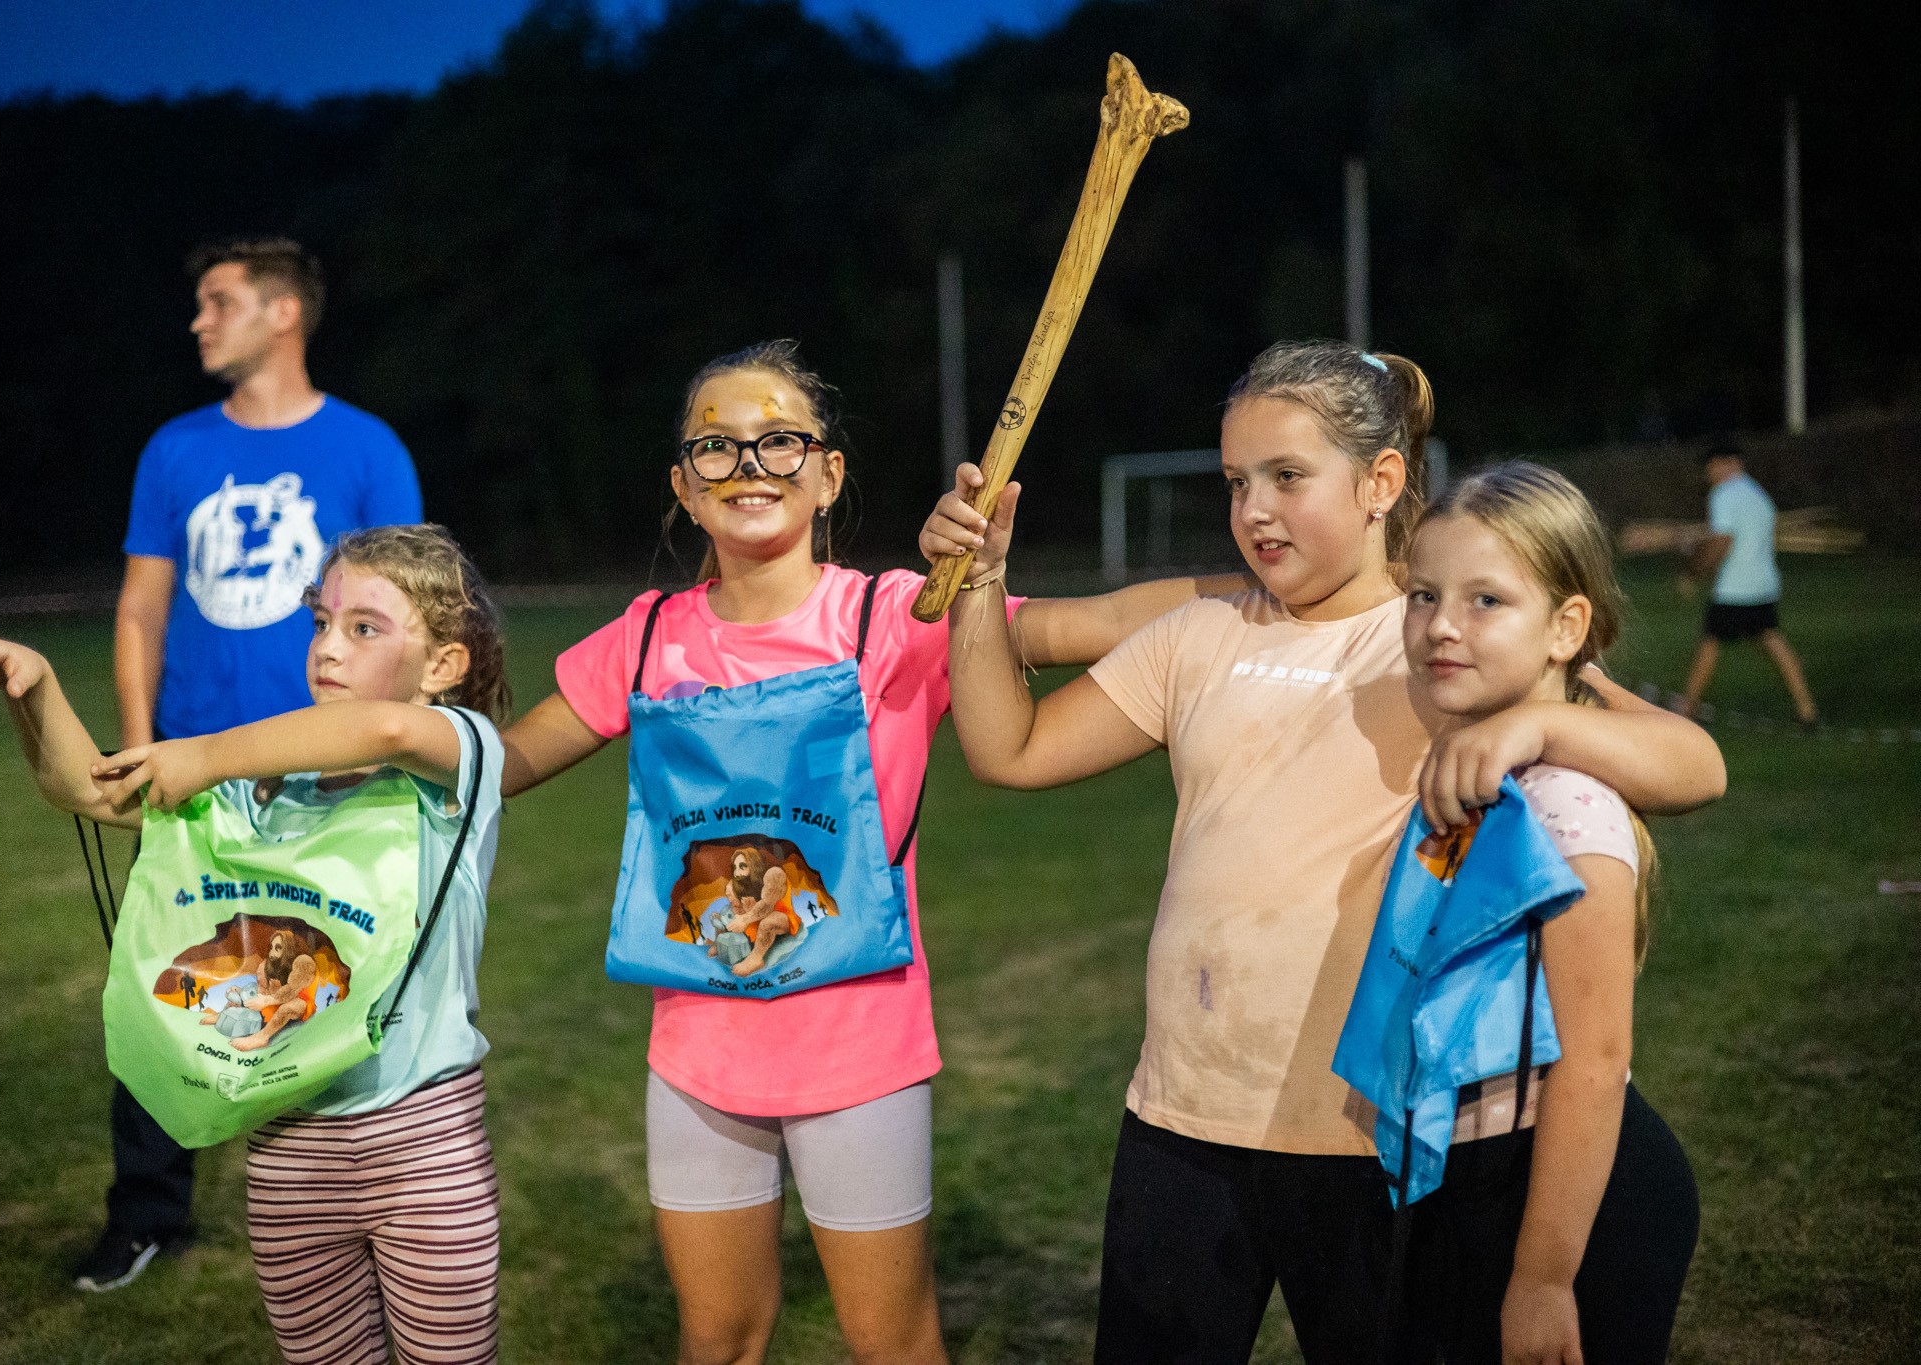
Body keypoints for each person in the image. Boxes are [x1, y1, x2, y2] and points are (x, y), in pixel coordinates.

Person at [919, 340, 1725, 1362]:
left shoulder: (1440, 635)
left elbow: (1692, 764)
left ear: (1380, 482)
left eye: (1286, 478)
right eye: (1234, 483)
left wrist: (1536, 730)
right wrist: (982, 581)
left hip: (1366, 1137)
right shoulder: (1201, 632)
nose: (1253, 509)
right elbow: (1008, 748)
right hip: (1184, 1118)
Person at [498, 339, 1246, 1365]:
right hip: (695, 1053)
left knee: (888, 1340)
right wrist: (362, 754)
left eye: (778, 442)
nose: (748, 465)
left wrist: (1285, 589)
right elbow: (502, 759)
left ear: (827, 472)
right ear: (681, 484)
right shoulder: (643, 637)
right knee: (716, 1336)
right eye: (714, 447)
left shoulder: (896, 617)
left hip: (860, 1053)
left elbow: (1105, 620)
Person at [0, 525, 509, 1364]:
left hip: (424, 1153)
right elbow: (84, 791)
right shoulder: (263, 787)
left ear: (443, 666)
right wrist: (38, 687)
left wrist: (202, 754)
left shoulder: (459, 762)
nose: (328, 648)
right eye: (320, 621)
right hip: (286, 1150)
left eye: (364, 628)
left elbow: (386, 732)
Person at [95, 236, 424, 1292]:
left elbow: (409, 612)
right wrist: (144, 745)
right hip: (193, 768)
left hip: (330, 772)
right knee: (164, 982)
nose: (198, 320)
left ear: (284, 313)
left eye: (217, 301)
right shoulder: (174, 450)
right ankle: (148, 1213)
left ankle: (348, 1212)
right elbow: (144, 605)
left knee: (325, 979)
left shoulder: (366, 447)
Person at [1387, 463, 1699, 1363]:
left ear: (1567, 627)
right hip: (1468, 1177)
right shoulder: (1465, 746)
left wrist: (1544, 1278)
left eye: (1487, 599)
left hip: (1560, 1201)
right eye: (1424, 594)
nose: (1442, 624)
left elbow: (1595, 1064)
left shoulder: (1568, 812)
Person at [1676, 439, 1817, 726]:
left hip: (1734, 588)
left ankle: (1685, 711)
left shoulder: (1724, 494)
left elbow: (1722, 541)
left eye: (1712, 466)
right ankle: (1807, 709)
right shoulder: (1758, 494)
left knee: (1710, 643)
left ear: (1725, 464)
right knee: (1772, 640)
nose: (1710, 473)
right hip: (1763, 584)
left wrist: (1693, 573)